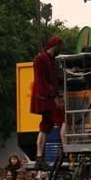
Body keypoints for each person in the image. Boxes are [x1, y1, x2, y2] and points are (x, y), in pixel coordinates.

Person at [30, 35, 65, 167]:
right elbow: (41, 81)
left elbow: (56, 80)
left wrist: (69, 73)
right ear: (55, 46)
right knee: (64, 119)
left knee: (44, 127)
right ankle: (65, 150)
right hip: (45, 98)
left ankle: (39, 157)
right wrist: (55, 96)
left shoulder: (53, 62)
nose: (60, 50)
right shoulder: (40, 59)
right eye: (60, 47)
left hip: (48, 97)